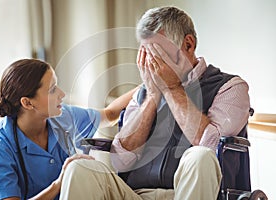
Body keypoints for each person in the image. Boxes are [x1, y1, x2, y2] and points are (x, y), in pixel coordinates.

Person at [58, 6, 251, 200]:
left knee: (200, 156)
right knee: (79, 168)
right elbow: (121, 162)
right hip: (135, 194)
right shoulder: (144, 92)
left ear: (188, 45)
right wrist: (152, 96)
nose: (150, 62)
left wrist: (172, 89)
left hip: (188, 193)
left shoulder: (230, 87)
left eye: (157, 52)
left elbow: (211, 147)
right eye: (145, 53)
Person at [0, 58, 137, 200]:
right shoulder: (0, 146)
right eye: (52, 90)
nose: (61, 94)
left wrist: (148, 85)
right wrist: (58, 184)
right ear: (27, 103)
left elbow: (110, 115)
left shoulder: (63, 117)